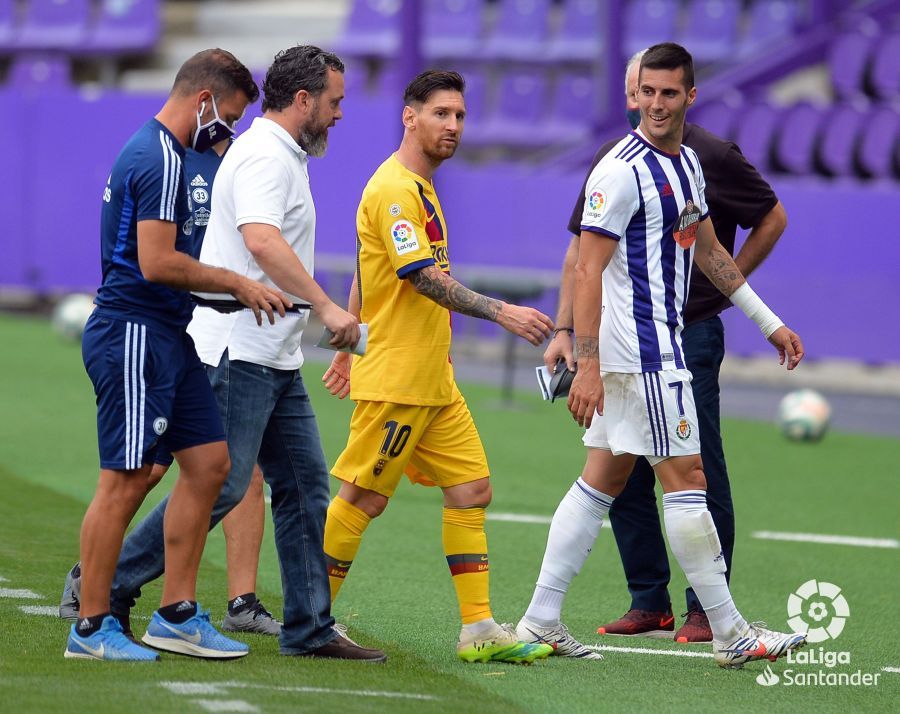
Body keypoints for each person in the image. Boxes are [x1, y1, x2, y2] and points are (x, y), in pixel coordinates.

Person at [65, 45, 388, 662]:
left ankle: (291, 624)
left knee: (257, 477)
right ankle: (98, 601)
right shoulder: (210, 155)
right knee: (149, 479)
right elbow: (237, 245)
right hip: (201, 341)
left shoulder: (258, 154)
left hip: (235, 342)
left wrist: (232, 293)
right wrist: (299, 301)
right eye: (335, 101)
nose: (341, 113)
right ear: (303, 100)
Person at [516, 43, 807, 669]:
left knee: (603, 478)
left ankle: (540, 618)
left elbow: (711, 254)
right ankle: (730, 631)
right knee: (689, 478)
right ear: (634, 94)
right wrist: (588, 364)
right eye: (646, 91)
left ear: (689, 97)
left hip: (654, 347)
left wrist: (768, 322)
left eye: (668, 93)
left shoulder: (690, 165)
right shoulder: (620, 171)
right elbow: (586, 267)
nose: (655, 103)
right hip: (642, 353)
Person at [320, 69, 555, 665]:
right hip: (400, 378)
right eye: (441, 114)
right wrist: (501, 311)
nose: (453, 126)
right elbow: (420, 277)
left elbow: (364, 270)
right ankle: (310, 617)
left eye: (460, 116)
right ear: (410, 117)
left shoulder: (420, 186)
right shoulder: (395, 189)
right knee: (362, 498)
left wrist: (348, 342)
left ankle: (478, 629)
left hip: (433, 380)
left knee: (472, 489)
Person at [65, 48, 292, 662]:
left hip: (169, 333)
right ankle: (90, 624)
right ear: (204, 100)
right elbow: (157, 262)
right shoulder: (160, 156)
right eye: (230, 117)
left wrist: (229, 294)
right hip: (134, 332)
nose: (230, 130)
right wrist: (237, 283)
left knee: (211, 464)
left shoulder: (174, 154)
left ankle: (177, 615)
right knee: (126, 479)